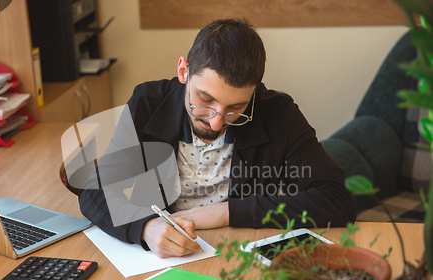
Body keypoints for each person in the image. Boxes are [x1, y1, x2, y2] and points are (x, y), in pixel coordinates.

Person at [79, 18, 356, 258]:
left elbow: (337, 199)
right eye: (205, 99)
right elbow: (94, 191)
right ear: (183, 71)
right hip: (166, 259)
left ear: (254, 93)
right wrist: (145, 227)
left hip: (240, 254)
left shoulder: (278, 114)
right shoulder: (148, 104)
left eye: (236, 108)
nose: (216, 121)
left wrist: (229, 212)